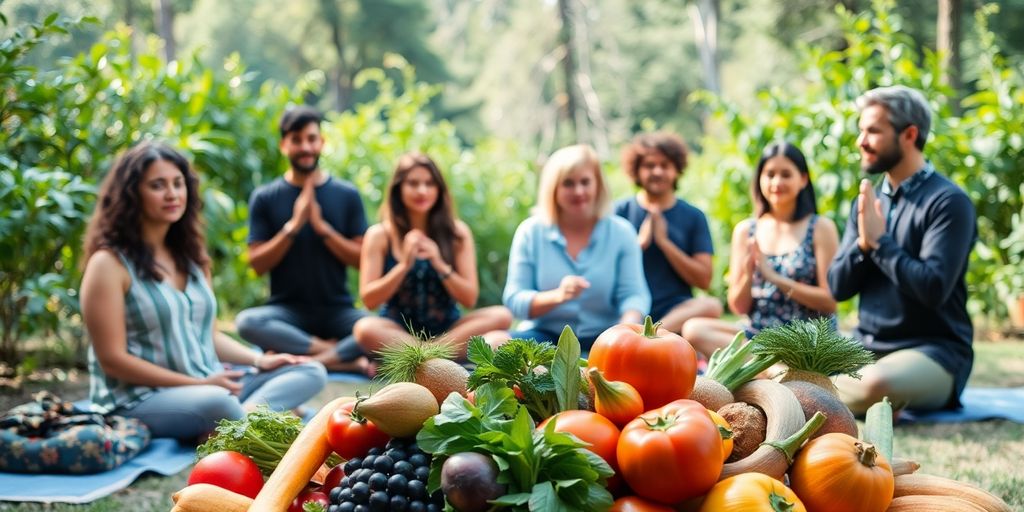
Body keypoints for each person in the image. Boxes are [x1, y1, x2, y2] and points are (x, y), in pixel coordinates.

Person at [80, 142, 326, 441]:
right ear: (132, 195)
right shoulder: (108, 264)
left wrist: (259, 361)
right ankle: (248, 420)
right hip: (142, 398)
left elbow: (208, 335)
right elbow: (112, 360)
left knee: (312, 370)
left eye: (177, 183)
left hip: (209, 382)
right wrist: (197, 384)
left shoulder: (192, 258)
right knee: (218, 403)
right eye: (158, 185)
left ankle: (233, 425)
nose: (172, 194)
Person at [829, 86, 977, 414]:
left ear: (909, 134)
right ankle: (818, 389)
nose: (861, 141)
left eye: (873, 131)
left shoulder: (949, 203)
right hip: (866, 349)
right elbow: (838, 287)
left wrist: (880, 243)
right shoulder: (867, 202)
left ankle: (813, 391)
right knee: (783, 360)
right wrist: (863, 245)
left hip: (934, 352)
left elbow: (932, 288)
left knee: (874, 385)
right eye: (860, 130)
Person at [234, 106, 370, 373]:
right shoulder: (265, 197)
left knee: (383, 329)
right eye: (297, 140)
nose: (305, 147)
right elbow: (257, 264)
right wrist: (293, 226)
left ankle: (312, 354)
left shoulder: (347, 195)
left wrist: (323, 229)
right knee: (247, 322)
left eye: (311, 138)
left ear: (322, 142)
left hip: (338, 311)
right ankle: (335, 355)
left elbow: (362, 259)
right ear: (284, 145)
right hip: (286, 314)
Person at [682, 142, 839, 358]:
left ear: (803, 179)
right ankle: (770, 369)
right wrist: (748, 273)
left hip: (806, 337)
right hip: (760, 336)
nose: (777, 182)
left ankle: (766, 368)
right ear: (760, 179)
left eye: (786, 174)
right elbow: (738, 307)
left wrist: (775, 278)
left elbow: (830, 302)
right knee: (694, 329)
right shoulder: (747, 230)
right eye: (770, 174)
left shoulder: (820, 228)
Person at [352, 153, 513, 358]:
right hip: (398, 332)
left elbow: (469, 298)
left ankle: (423, 356)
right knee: (364, 328)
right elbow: (369, 300)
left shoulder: (457, 233)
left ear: (439, 189)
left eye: (429, 184)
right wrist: (403, 265)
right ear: (398, 188)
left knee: (502, 316)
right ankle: (434, 358)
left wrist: (439, 263)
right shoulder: (380, 235)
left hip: (449, 331)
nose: (422, 191)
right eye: (413, 183)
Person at [503, 144, 651, 349]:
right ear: (553, 189)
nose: (578, 191)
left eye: (585, 182)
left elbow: (634, 295)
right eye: (568, 184)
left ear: (597, 185)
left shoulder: (622, 232)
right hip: (542, 338)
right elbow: (514, 300)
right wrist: (558, 295)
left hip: (604, 339)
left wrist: (625, 332)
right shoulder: (530, 232)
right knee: (495, 342)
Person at [614, 132, 722, 333]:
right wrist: (639, 244)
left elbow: (704, 280)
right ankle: (641, 335)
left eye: (665, 165)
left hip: (675, 314)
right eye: (649, 165)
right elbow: (603, 270)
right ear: (636, 170)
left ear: (676, 170)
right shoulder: (618, 213)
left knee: (711, 305)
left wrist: (665, 243)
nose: (657, 171)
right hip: (628, 310)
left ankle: (652, 335)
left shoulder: (694, 216)